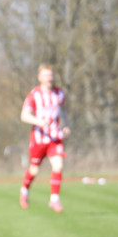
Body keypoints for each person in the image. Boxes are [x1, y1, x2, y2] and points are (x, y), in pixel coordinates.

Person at [19, 64, 70, 213]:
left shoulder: (59, 93)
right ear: (39, 77)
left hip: (55, 138)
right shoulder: (34, 94)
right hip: (39, 138)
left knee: (58, 165)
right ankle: (24, 190)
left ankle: (54, 199)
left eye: (51, 75)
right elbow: (24, 116)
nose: (49, 78)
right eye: (46, 75)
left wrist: (66, 126)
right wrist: (39, 122)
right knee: (34, 170)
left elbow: (63, 111)